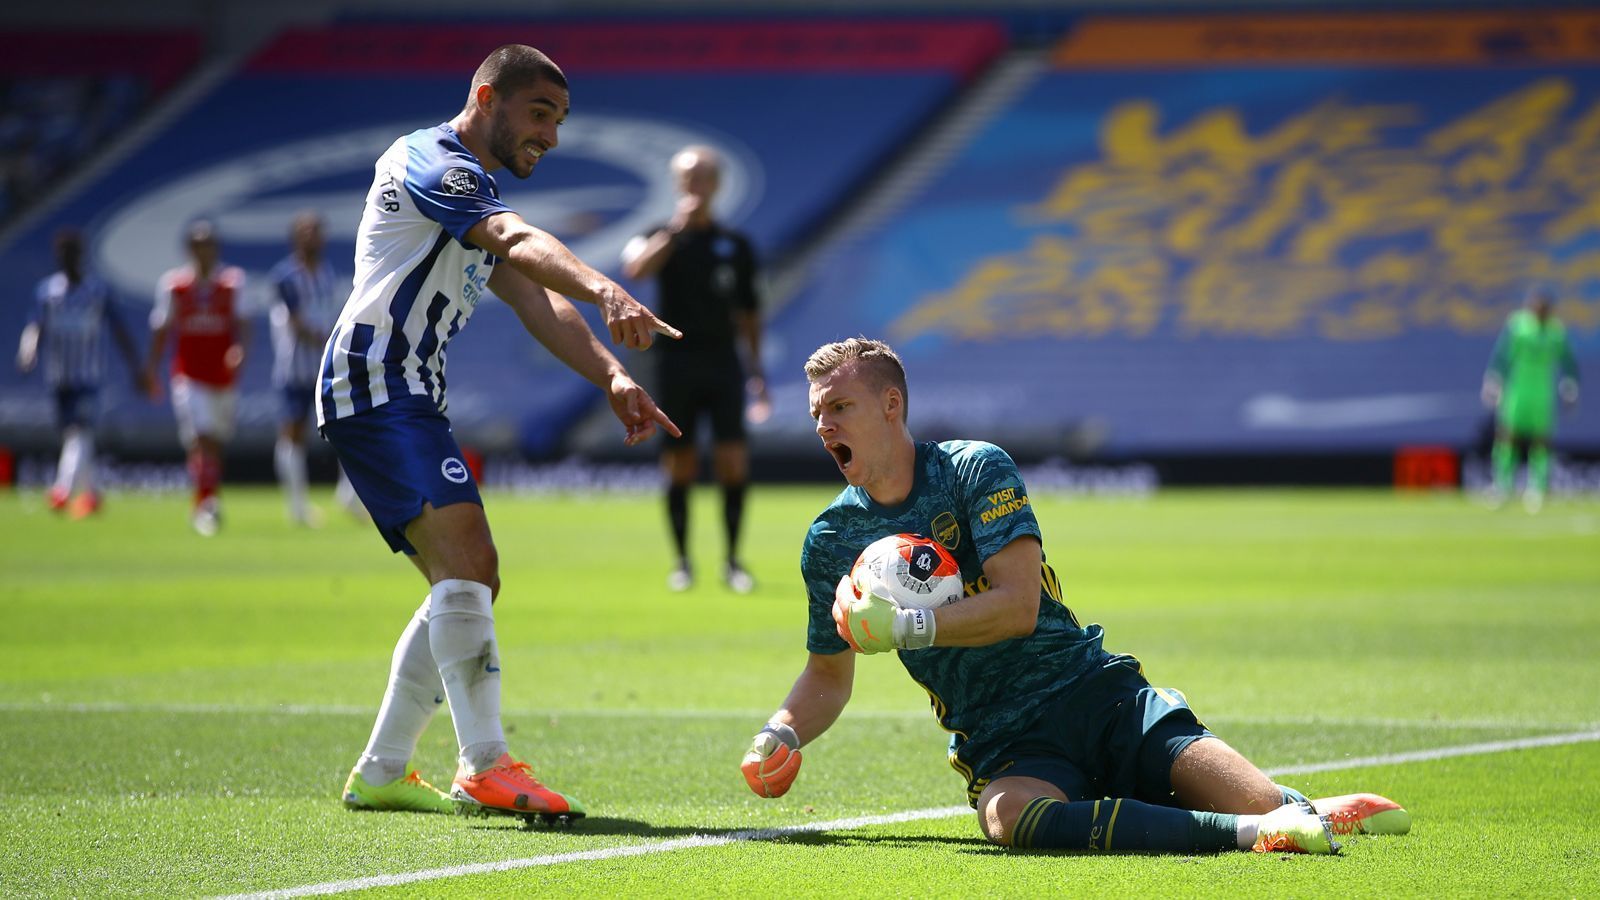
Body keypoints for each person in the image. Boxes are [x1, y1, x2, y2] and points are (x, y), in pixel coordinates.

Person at [739, 337, 1411, 855]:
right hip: (1004, 741)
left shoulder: (975, 469)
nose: (825, 426)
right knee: (1008, 821)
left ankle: (1294, 810)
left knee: (1268, 802)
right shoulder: (832, 538)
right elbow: (828, 675)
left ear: (891, 406)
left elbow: (1016, 606)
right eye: (818, 413)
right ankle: (1248, 833)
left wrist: (907, 627)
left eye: (840, 407)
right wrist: (781, 732)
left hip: (1097, 697)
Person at [322, 44, 681, 822]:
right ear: (487, 97)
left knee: (468, 580)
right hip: (376, 379)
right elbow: (520, 246)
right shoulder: (434, 161)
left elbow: (534, 299)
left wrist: (612, 376)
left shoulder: (473, 196)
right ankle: (485, 765)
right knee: (471, 562)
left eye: (559, 119)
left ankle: (383, 768)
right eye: (538, 114)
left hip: (405, 389)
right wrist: (609, 288)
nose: (550, 135)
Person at [621, 145, 766, 594]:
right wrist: (674, 231)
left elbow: (749, 313)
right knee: (679, 463)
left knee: (732, 462)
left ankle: (732, 561)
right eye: (689, 178)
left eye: (704, 177)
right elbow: (635, 268)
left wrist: (755, 370)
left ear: (717, 185)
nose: (696, 186)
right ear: (677, 184)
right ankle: (682, 561)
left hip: (722, 363)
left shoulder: (736, 246)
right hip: (674, 364)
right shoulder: (659, 234)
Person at [15, 228, 145, 517]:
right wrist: (28, 350)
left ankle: (61, 490)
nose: (68, 260)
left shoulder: (97, 291)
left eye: (72, 254)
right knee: (71, 436)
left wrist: (137, 366)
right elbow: (35, 325)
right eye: (63, 255)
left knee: (79, 432)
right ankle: (92, 494)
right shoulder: (48, 292)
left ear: (80, 256)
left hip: (88, 377)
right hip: (58, 376)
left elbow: (120, 329)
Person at [143, 220, 247, 537]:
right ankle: (207, 505)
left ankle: (203, 497)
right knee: (201, 437)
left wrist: (239, 350)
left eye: (209, 244)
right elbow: (162, 329)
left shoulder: (232, 283)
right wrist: (152, 369)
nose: (205, 250)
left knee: (214, 442)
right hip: (188, 375)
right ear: (190, 249)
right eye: (199, 244)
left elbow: (243, 323)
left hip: (222, 377)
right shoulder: (174, 286)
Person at [267, 211, 364, 526]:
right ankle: (297, 506)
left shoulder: (327, 275)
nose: (312, 237)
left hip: (326, 370)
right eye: (306, 232)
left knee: (348, 428)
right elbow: (295, 324)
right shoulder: (285, 278)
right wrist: (329, 343)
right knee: (293, 435)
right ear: (295, 237)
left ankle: (349, 493)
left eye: (316, 232)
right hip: (296, 368)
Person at [1482, 286, 1581, 513]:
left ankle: (1537, 489)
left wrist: (1570, 384)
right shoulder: (1517, 327)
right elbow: (1501, 355)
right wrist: (1494, 380)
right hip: (1517, 392)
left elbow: (1568, 361)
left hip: (1542, 394)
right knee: (1507, 438)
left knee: (1541, 442)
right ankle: (1502, 486)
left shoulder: (1556, 332)